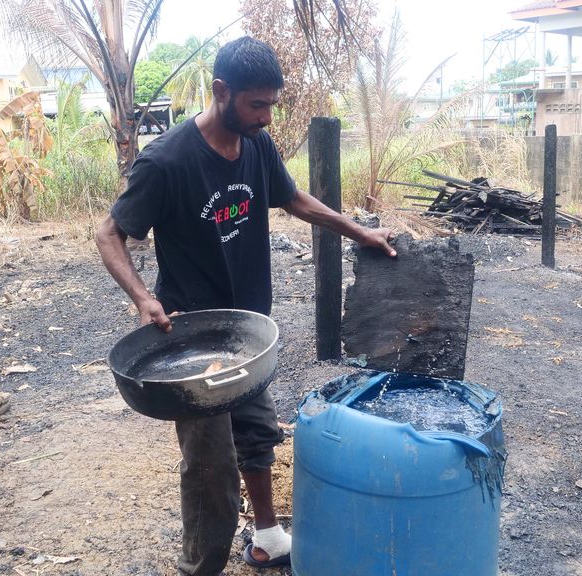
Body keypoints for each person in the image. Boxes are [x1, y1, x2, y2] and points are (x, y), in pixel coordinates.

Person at [95, 36, 395, 576]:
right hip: (190, 340)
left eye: (271, 106)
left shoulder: (257, 147)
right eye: (257, 105)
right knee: (211, 467)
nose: (266, 117)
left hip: (250, 333)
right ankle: (200, 568)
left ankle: (266, 538)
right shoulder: (167, 161)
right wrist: (143, 298)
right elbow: (110, 232)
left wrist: (358, 231)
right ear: (221, 91)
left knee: (258, 435)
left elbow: (293, 198)